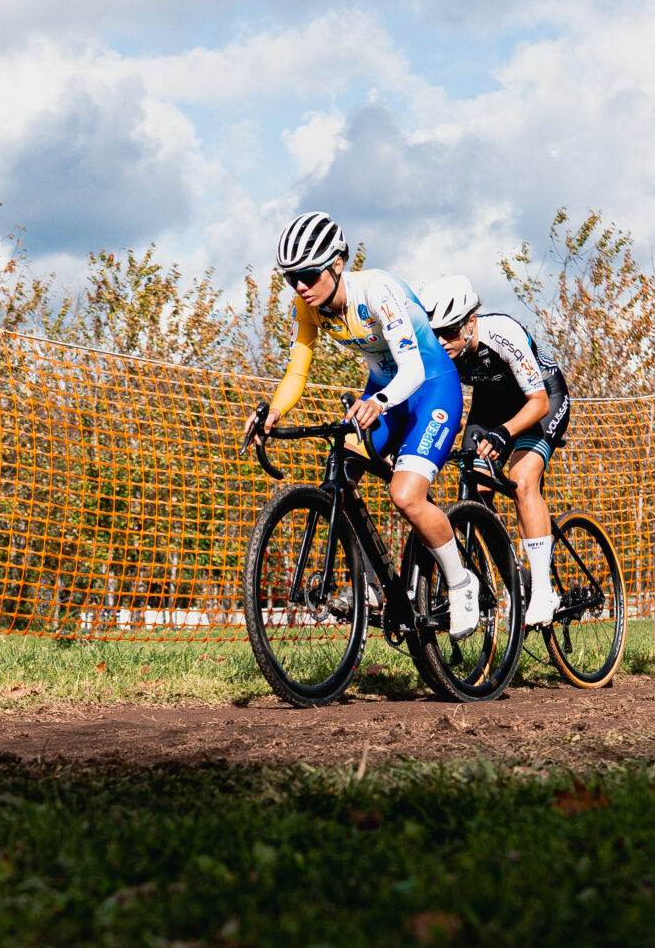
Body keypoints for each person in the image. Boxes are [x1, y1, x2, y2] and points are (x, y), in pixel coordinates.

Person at [244, 212, 479, 636]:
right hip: (385, 391)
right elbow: (298, 369)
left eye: (307, 274)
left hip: (429, 386)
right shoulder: (308, 306)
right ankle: (372, 584)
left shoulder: (378, 291)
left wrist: (381, 401)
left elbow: (411, 367)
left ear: (336, 264)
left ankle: (462, 584)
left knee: (405, 495)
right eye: (289, 278)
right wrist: (273, 412)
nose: (299, 286)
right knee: (341, 472)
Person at [422, 276, 573, 627]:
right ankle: (511, 578)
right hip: (490, 404)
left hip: (542, 398)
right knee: (477, 488)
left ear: (470, 322)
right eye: (436, 334)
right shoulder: (441, 348)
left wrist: (505, 433)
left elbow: (535, 403)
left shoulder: (502, 333)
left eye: (450, 331)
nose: (442, 342)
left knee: (521, 479)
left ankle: (542, 590)